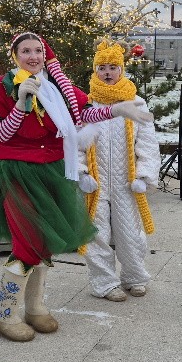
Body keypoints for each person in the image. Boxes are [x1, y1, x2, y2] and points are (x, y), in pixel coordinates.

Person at [0, 32, 153, 342]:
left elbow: (82, 114)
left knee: (43, 242)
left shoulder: (56, 86)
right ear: (15, 55)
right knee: (26, 242)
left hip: (52, 171)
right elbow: (2, 134)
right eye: (25, 51)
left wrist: (116, 110)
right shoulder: (3, 87)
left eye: (38, 50)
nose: (33, 56)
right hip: (18, 172)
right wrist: (21, 104)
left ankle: (34, 308)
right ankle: (3, 313)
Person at [77, 41, 160, 301]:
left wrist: (144, 175)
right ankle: (104, 283)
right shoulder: (87, 104)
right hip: (97, 182)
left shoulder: (136, 103)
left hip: (127, 181)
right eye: (102, 68)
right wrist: (81, 173)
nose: (107, 72)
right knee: (97, 234)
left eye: (113, 67)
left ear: (121, 70)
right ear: (95, 71)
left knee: (130, 232)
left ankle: (134, 277)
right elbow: (77, 143)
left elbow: (147, 142)